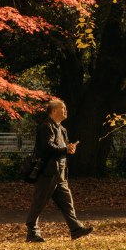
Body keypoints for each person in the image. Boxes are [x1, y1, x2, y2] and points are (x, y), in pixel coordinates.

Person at [25, 99, 93, 242]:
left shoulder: (62, 129)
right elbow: (47, 147)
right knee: (39, 203)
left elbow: (63, 149)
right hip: (47, 173)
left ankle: (76, 229)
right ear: (54, 110)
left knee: (67, 203)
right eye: (63, 108)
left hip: (60, 173)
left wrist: (69, 149)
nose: (65, 111)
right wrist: (65, 149)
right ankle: (32, 233)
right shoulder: (46, 126)